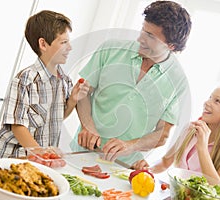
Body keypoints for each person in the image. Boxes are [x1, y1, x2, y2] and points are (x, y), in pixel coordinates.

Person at [70, 0, 192, 166]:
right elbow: (82, 93)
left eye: (150, 36)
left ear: (171, 46)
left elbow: (162, 134)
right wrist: (88, 126)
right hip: (81, 153)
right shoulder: (110, 49)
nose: (140, 38)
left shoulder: (179, 82)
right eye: (143, 30)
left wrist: (130, 146)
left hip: (124, 167)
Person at [0, 10, 89, 158]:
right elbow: (18, 125)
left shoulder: (65, 80)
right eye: (63, 42)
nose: (70, 48)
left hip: (40, 157)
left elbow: (57, 117)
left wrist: (73, 100)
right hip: (16, 156)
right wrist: (40, 152)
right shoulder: (25, 79)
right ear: (43, 44)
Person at [132, 83, 220, 188]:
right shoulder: (189, 130)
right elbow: (165, 162)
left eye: (217, 101)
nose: (207, 102)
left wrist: (202, 147)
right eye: (210, 97)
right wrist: (147, 169)